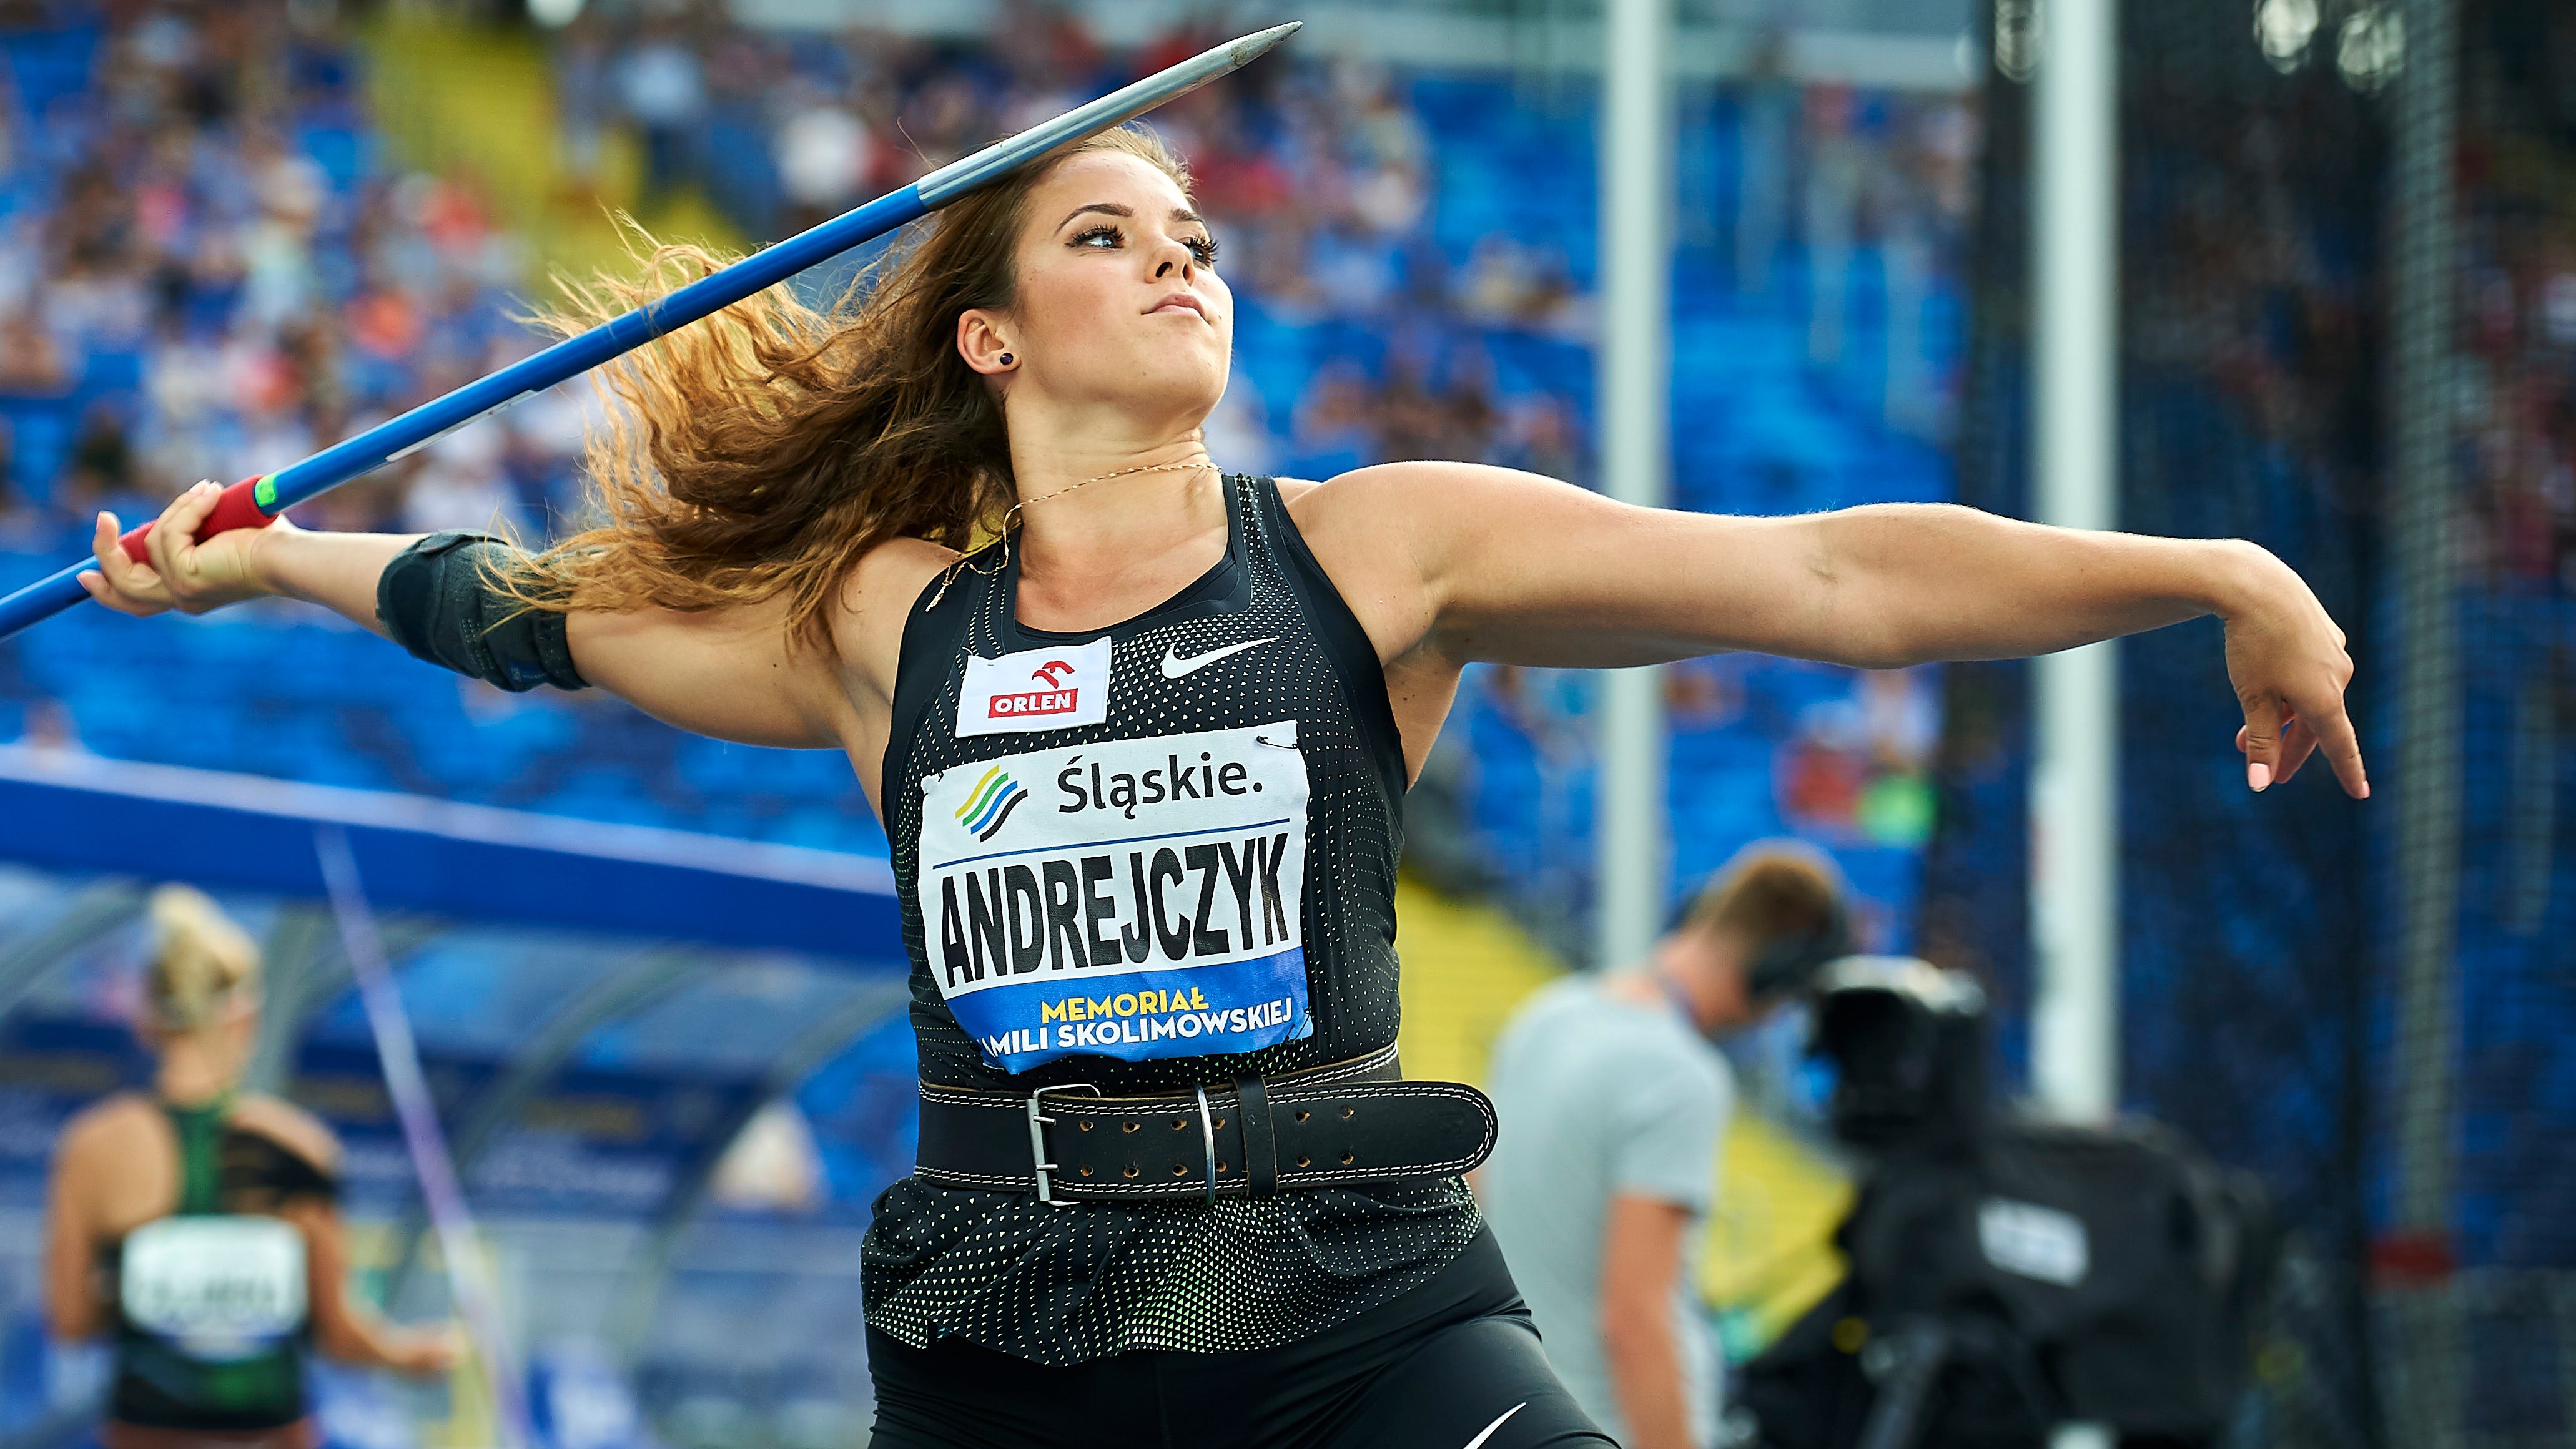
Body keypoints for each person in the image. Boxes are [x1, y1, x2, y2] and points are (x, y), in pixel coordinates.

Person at [74, 122, 2363, 1449]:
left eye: (1193, 234)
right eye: (1107, 232)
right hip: (1003, 1325)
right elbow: (533, 610)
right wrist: (264, 562)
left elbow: (1831, 577)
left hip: (1352, 1297)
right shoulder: (888, 627)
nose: (1176, 254)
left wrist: (2212, 569)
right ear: (988, 335)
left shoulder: (1377, 550)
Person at [44, 885, 453, 1449]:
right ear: (244, 1017)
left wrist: (151, 1298)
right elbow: (340, 1335)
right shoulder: (296, 1146)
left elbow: (70, 1321)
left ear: (147, 1022)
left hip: (147, 1434)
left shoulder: (92, 1147)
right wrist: (413, 1354)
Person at [1479, 844, 1845, 1449]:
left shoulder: (1546, 1014)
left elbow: (1478, 1208)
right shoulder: (1677, 1075)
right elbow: (1636, 1322)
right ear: (1774, 968)